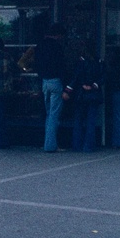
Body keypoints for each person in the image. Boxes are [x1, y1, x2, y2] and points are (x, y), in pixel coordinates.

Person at [33, 23, 68, 153]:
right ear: (58, 35)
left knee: (48, 114)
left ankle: (47, 142)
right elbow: (62, 66)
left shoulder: (39, 46)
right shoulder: (57, 47)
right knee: (54, 115)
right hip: (55, 81)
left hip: (44, 82)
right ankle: (51, 145)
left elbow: (36, 64)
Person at [64, 42, 104, 153]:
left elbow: (75, 77)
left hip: (80, 94)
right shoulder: (99, 62)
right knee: (91, 121)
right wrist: (94, 85)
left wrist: (68, 90)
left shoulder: (80, 62)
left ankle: (76, 145)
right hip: (94, 94)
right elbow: (102, 77)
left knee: (78, 120)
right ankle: (88, 146)